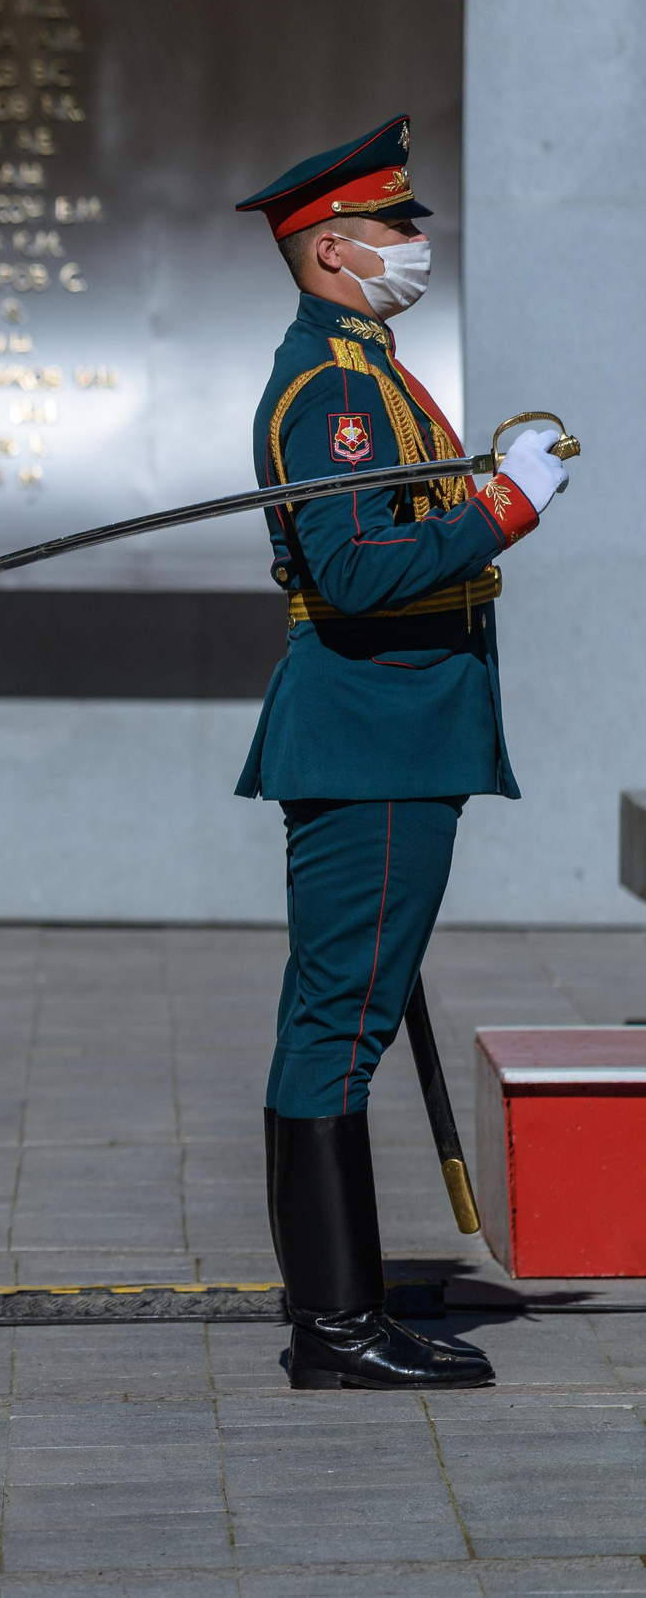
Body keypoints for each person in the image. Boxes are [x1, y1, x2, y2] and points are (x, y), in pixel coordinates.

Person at [233, 114, 566, 1390]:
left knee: (340, 1019)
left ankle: (346, 1308)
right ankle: (334, 1330)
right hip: (372, 736)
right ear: (328, 252)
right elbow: (360, 573)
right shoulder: (330, 391)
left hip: (395, 734)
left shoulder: (366, 370)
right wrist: (504, 507)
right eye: (391, 227)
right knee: (336, 1030)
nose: (412, 244)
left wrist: (483, 492)